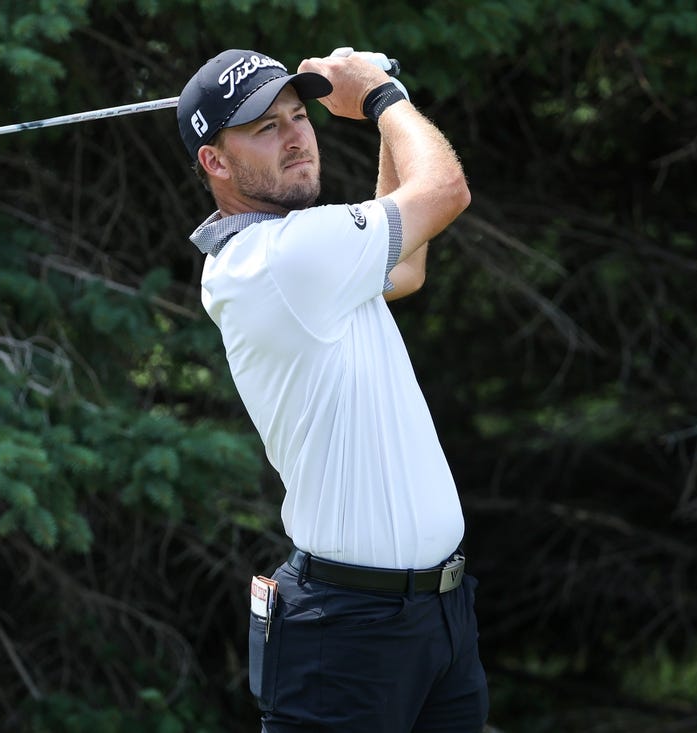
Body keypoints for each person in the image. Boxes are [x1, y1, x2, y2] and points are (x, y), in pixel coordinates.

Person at [176, 49, 489, 732]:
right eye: (264, 127)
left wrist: (382, 117)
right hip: (348, 633)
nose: (296, 135)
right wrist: (380, 94)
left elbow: (405, 265)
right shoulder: (283, 259)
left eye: (298, 114)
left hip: (438, 618)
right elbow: (446, 192)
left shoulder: (295, 252)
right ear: (215, 163)